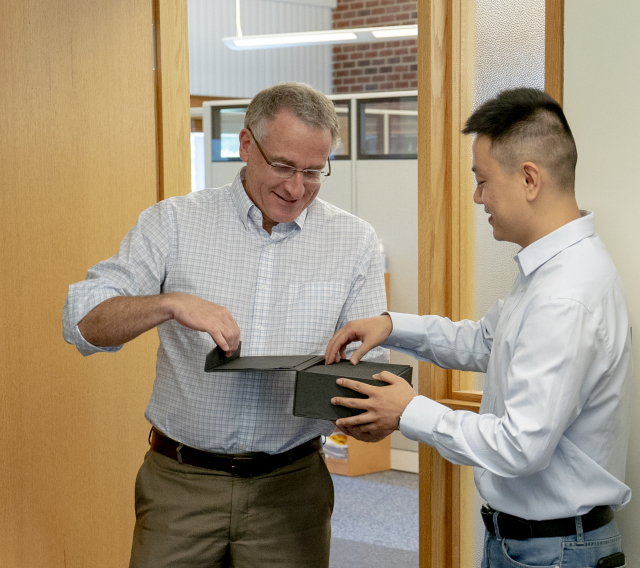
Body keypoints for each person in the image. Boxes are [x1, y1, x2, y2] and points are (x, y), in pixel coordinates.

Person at [62, 82, 388, 568]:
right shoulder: (172, 223)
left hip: (292, 487)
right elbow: (82, 322)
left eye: (313, 172)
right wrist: (169, 303)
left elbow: (370, 367)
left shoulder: (355, 242)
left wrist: (371, 415)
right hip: (181, 484)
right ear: (244, 144)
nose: (296, 188)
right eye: (281, 166)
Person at [325, 88, 632, 568]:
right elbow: (485, 342)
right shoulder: (550, 273)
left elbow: (519, 446)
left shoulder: (564, 295)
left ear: (529, 178)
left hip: (552, 552)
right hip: (533, 546)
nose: (477, 196)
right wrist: (392, 326)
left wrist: (410, 411)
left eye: (483, 180)